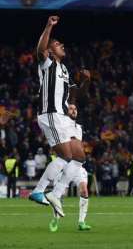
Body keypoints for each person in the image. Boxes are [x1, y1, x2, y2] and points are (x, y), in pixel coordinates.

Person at [29, 16, 90, 220]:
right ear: (50, 51)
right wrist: (48, 26)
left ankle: (55, 194)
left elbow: (78, 95)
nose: (61, 45)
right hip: (50, 114)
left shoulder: (63, 70)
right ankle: (40, 190)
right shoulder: (47, 64)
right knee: (65, 156)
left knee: (79, 157)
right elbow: (39, 51)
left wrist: (86, 82)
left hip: (61, 117)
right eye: (57, 44)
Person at [49, 103, 91, 232]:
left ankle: (81, 222)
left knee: (84, 190)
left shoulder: (79, 127)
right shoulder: (60, 125)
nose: (73, 111)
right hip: (64, 164)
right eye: (70, 109)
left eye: (75, 109)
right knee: (60, 195)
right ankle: (55, 219)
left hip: (77, 165)